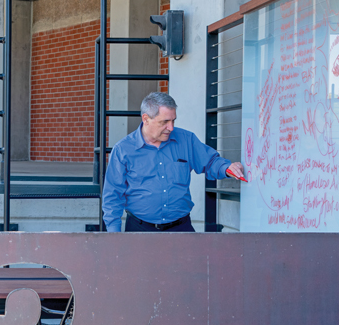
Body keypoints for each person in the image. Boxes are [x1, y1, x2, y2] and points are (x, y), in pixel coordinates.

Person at [102, 91, 245, 232]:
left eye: (173, 121)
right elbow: (113, 195)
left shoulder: (186, 140)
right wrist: (114, 234)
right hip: (139, 229)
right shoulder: (123, 150)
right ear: (146, 119)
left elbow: (210, 161)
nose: (171, 127)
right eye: (164, 122)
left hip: (181, 228)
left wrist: (227, 168)